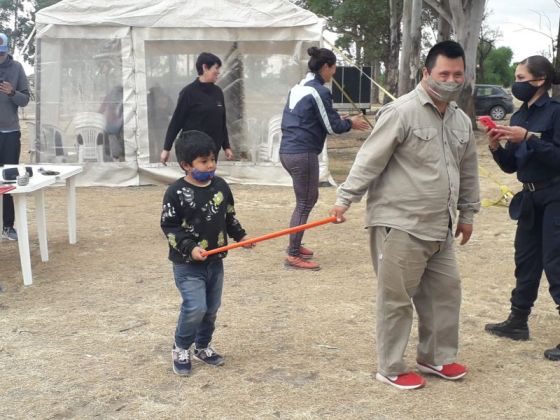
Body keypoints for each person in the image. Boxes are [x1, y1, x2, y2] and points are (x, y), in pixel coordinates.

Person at [329, 41, 480, 390]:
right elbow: (370, 158)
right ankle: (391, 365)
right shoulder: (401, 112)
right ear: (426, 73)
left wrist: (467, 212)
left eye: (457, 74)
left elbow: (468, 170)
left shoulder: (460, 120)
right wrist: (345, 198)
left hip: (439, 226)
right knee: (396, 299)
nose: (451, 80)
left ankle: (436, 357)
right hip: (400, 224)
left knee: (445, 293)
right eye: (444, 73)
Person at [484, 55, 560, 362]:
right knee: (526, 260)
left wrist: (529, 137)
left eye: (521, 78)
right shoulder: (518, 117)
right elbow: (510, 166)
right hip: (529, 197)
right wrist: (495, 146)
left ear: (540, 80)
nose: (516, 83)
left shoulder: (555, 113)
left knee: (556, 263)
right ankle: (517, 321)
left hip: (556, 194)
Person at [160, 130, 253, 376]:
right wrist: (190, 248)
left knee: (211, 308)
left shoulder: (220, 186)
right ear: (186, 165)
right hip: (187, 264)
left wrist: (240, 235)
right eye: (203, 161)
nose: (210, 165)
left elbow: (229, 216)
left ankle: (202, 347)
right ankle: (181, 347)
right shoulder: (175, 193)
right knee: (195, 307)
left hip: (215, 261)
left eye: (213, 159)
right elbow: (169, 226)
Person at [279, 46, 369, 270]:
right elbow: (332, 127)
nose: (335, 72)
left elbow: (311, 118)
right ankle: (292, 254)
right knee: (305, 202)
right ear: (325, 67)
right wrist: (351, 123)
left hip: (287, 152)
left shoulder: (298, 87)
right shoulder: (320, 91)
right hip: (303, 153)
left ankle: (296, 246)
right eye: (334, 67)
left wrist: (340, 117)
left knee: (304, 201)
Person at [161, 53, 233, 165]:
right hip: (194, 148)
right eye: (216, 68)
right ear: (205, 67)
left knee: (209, 177)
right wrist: (166, 148)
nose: (218, 72)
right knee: (195, 179)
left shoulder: (218, 92)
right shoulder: (188, 92)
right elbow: (176, 121)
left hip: (213, 148)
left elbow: (222, 122)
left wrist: (226, 146)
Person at [0, 32, 30, 241]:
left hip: (10, 132)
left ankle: (8, 226)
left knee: (8, 180)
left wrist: (11, 93)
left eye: (1, 54)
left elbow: (25, 100)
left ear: (7, 51)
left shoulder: (17, 68)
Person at [99, 85, 124, 162]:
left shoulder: (108, 97)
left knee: (106, 134)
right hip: (120, 126)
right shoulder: (124, 97)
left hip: (109, 125)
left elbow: (101, 110)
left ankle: (113, 156)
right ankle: (117, 155)